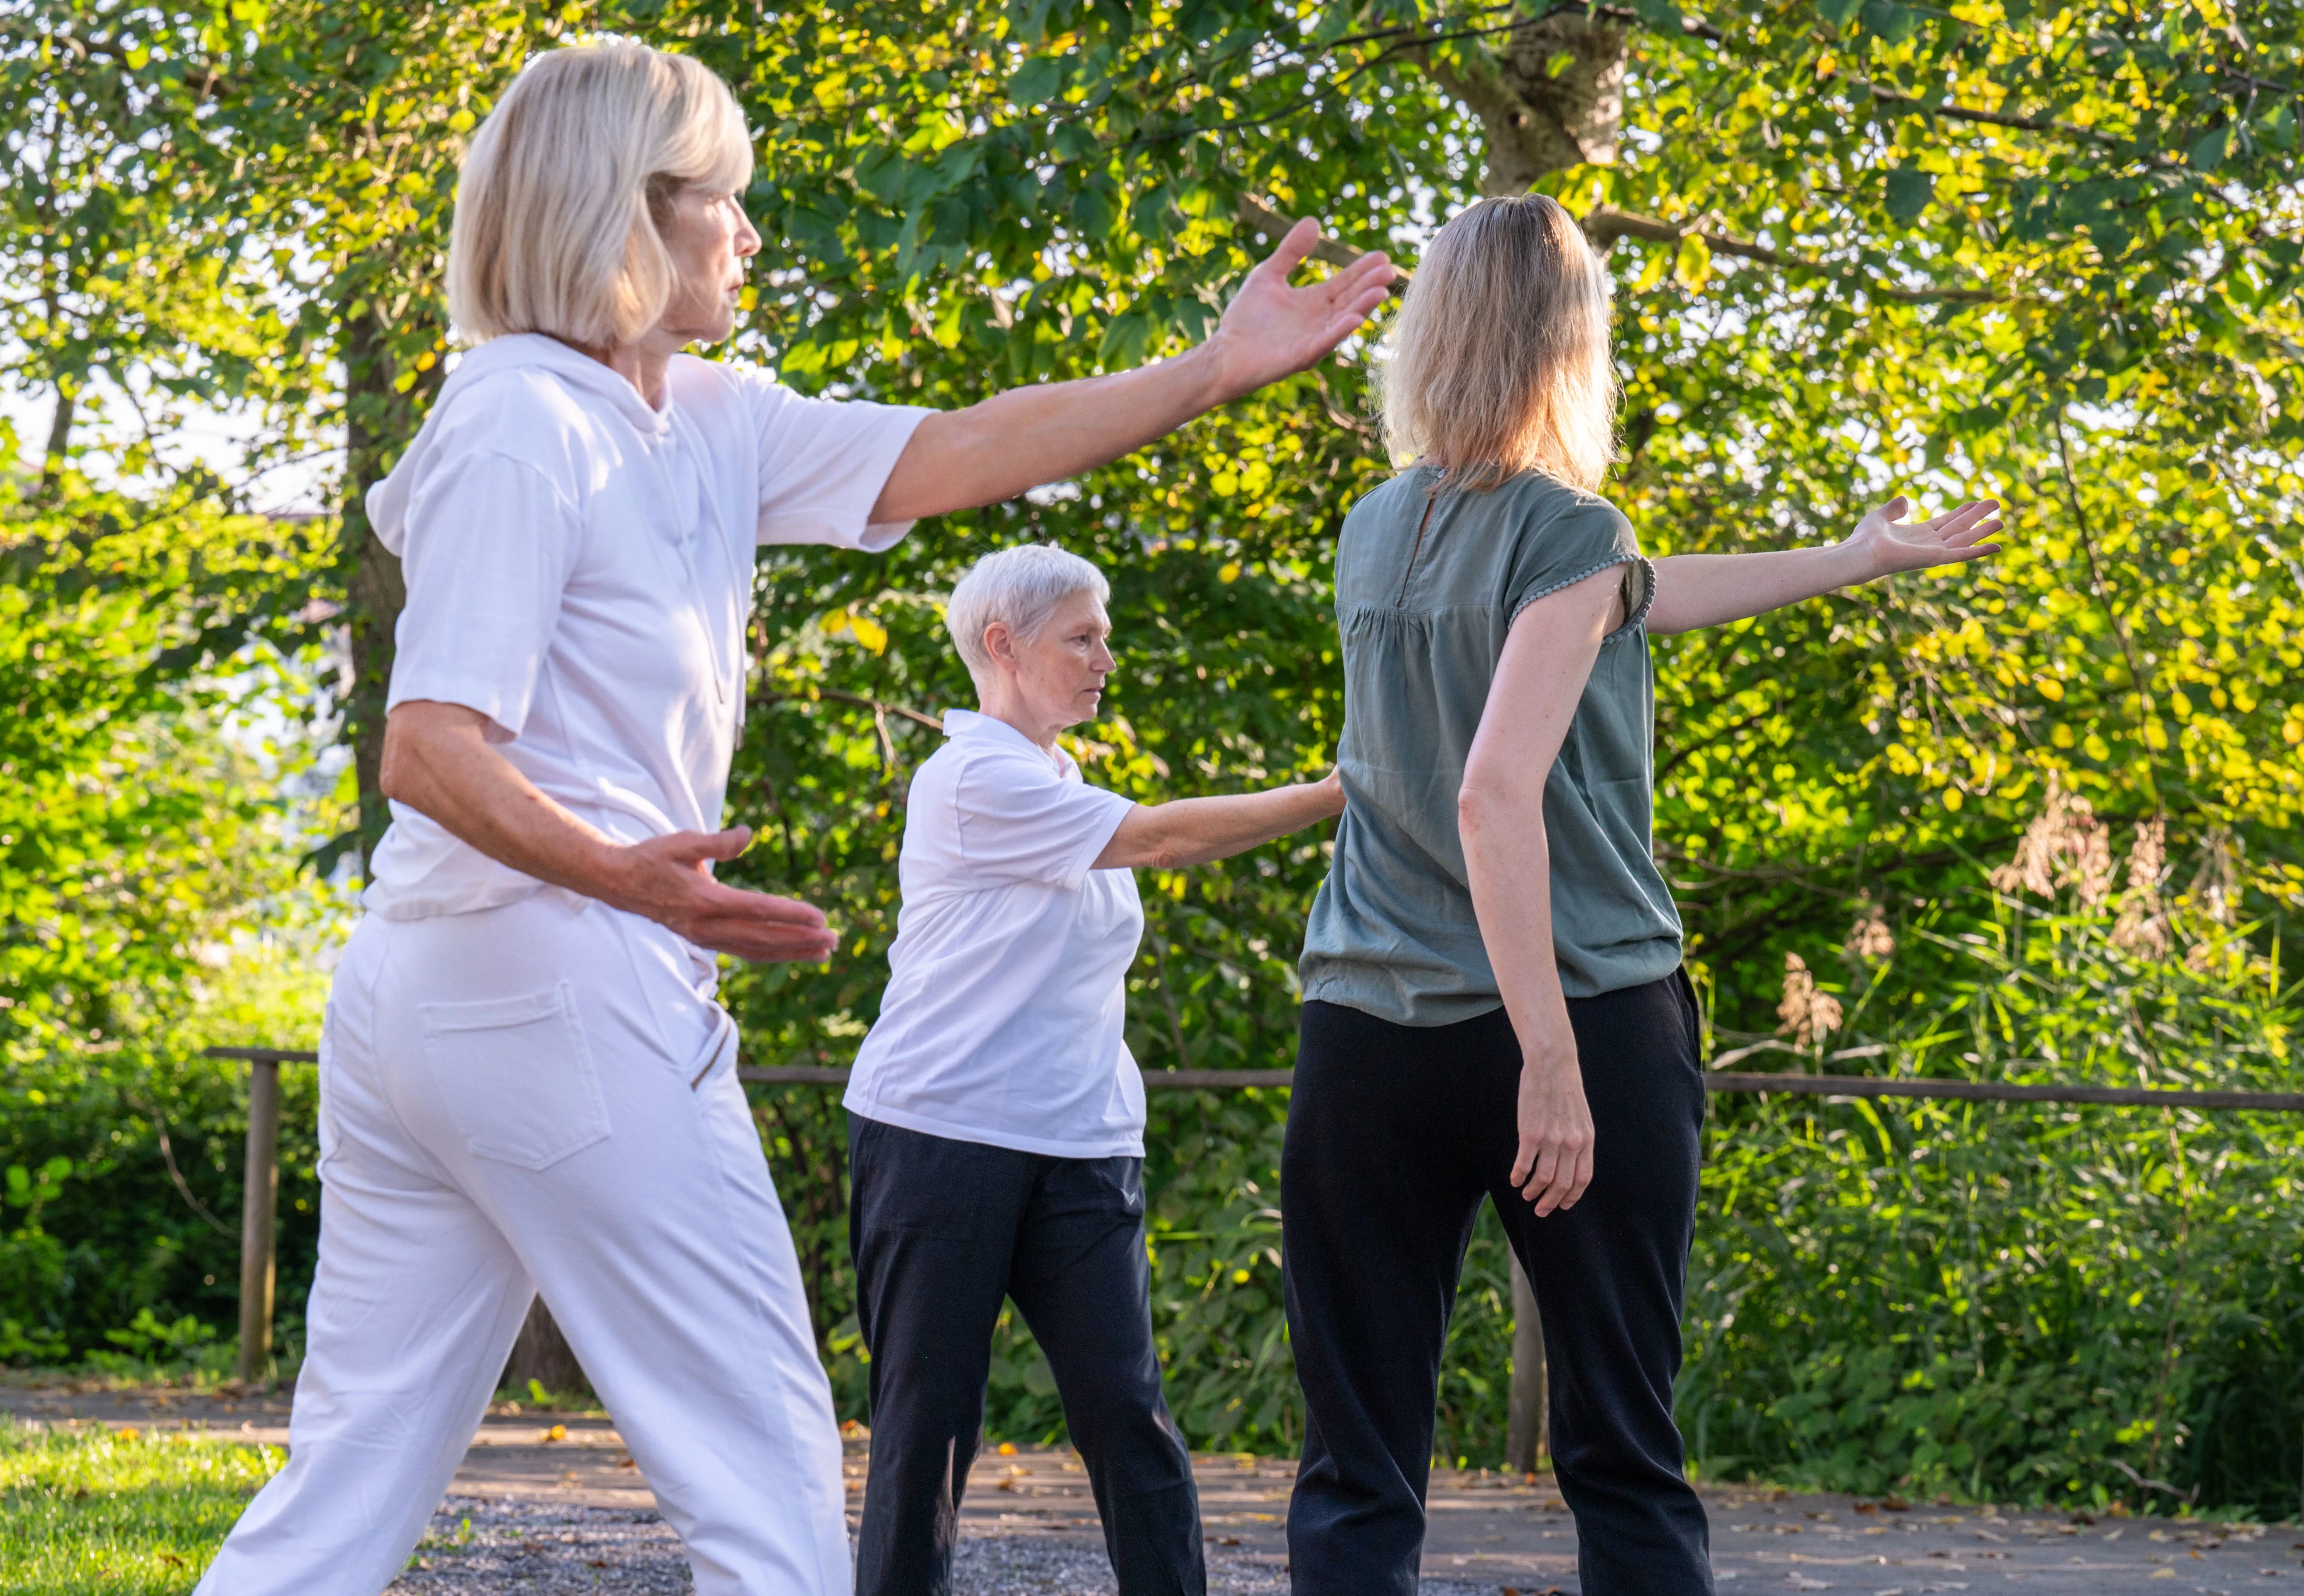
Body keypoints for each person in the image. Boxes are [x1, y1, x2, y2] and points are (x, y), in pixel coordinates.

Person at [194, 42, 1392, 1596]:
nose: (751, 236)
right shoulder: (519, 420)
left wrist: (1212, 367)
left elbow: (963, 443)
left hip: (467, 1002)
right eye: (729, 202)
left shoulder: (696, 415)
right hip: (549, 982)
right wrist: (634, 881)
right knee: (764, 1473)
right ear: (631, 210)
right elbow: (426, 746)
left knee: (349, 1482)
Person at [1281, 193, 2003, 1595]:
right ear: (1572, 341)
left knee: (1355, 1461)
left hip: (1362, 1024)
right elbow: (1495, 792)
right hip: (1575, 1014)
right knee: (1619, 1446)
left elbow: (1627, 595)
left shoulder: (1377, 527)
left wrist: (1852, 556)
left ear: (1429, 335)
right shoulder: (1568, 526)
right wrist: (1547, 1056)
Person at [841, 542, 1341, 1596]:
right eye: (1084, 636)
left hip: (1081, 1145)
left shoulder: (1061, 781)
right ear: (1003, 645)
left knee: (1127, 1410)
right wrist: (1339, 792)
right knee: (927, 1425)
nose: (1106, 655)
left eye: (1103, 634)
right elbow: (1159, 841)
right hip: (942, 1136)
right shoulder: (971, 778)